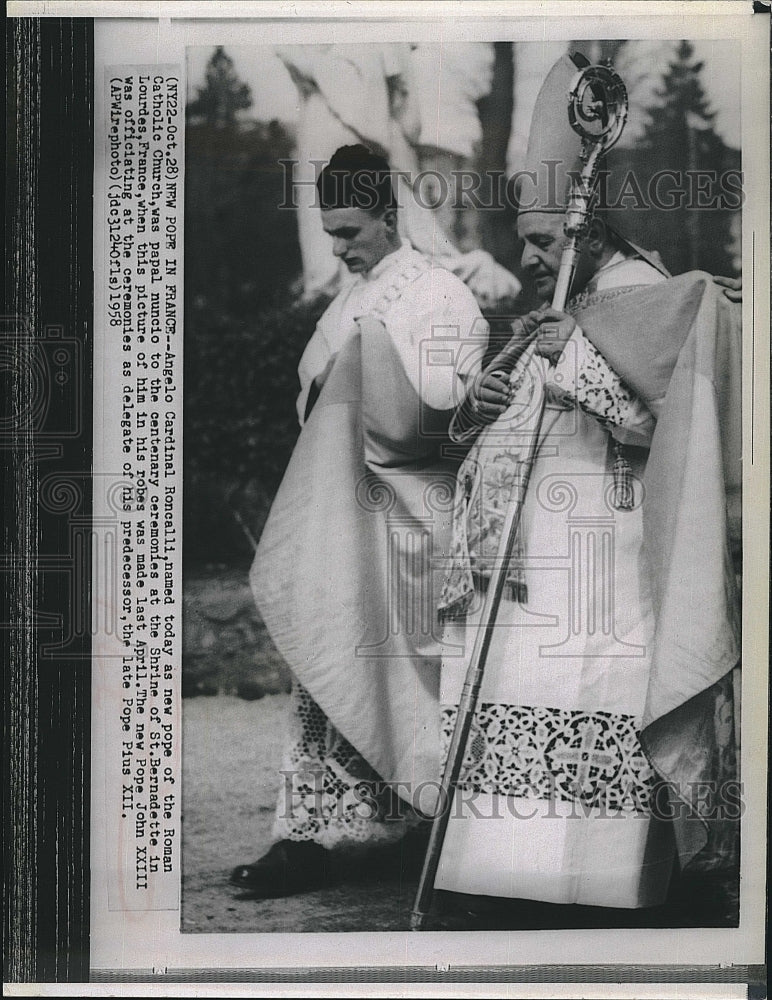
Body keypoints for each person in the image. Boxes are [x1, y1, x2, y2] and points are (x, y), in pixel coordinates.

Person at [433, 53, 741, 921]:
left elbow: (667, 422)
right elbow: (521, 415)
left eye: (543, 241)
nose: (532, 258)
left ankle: (590, 886)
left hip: (604, 547)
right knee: (513, 696)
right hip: (527, 555)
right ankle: (504, 872)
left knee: (582, 695)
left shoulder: (644, 292)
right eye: (528, 241)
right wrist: (486, 399)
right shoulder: (559, 299)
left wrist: (571, 354)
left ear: (591, 227)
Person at [231, 144, 488, 897]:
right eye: (329, 232)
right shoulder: (347, 302)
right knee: (328, 656)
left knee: (416, 678)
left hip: (412, 512)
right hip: (345, 517)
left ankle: (431, 833)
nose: (339, 248)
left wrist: (369, 368)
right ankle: (304, 837)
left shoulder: (440, 293)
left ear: (388, 214)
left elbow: (452, 412)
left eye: (350, 231)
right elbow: (311, 403)